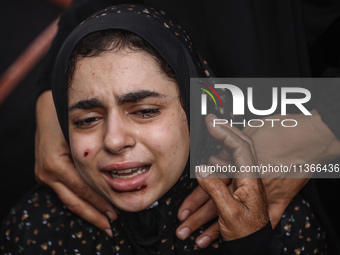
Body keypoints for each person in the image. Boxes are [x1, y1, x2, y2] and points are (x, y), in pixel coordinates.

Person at [0, 5, 327, 254]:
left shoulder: (279, 226)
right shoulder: (33, 230)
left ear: (200, 115)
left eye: (144, 111)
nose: (114, 140)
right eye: (86, 120)